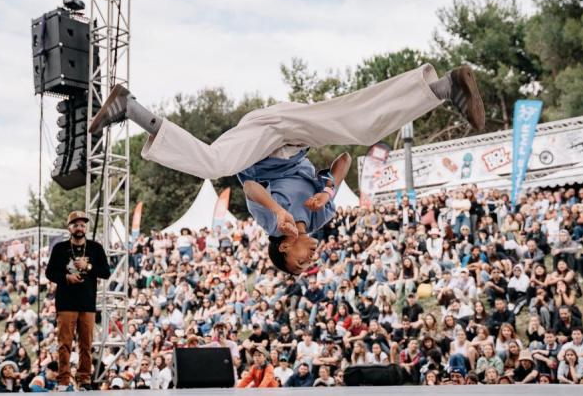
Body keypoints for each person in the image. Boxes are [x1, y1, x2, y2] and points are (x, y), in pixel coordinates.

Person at [90, 65, 486, 274]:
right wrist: (329, 190)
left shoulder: (271, 225)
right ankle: (446, 87)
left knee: (214, 163)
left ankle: (130, 108)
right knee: (362, 127)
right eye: (307, 265)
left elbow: (250, 192)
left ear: (284, 247)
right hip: (295, 137)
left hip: (262, 137)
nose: (310, 259)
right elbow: (344, 160)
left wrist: (280, 212)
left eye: (300, 262)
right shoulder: (319, 219)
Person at [45, 211, 112, 391]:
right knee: (64, 343)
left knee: (86, 344)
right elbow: (49, 273)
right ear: (69, 227)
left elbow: (106, 272)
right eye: (75, 225)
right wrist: (67, 277)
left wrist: (87, 267)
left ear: (86, 228)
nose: (79, 228)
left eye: (82, 225)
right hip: (66, 302)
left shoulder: (95, 248)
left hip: (87, 302)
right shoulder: (59, 248)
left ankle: (84, 379)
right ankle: (64, 380)